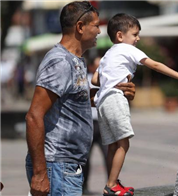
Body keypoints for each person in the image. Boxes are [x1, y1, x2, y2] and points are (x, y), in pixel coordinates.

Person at [25, 2, 136, 196]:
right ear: (80, 27)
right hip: (56, 165)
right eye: (95, 25)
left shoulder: (75, 60)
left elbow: (76, 101)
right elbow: (34, 116)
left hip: (66, 166)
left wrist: (116, 93)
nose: (99, 32)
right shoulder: (59, 61)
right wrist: (40, 173)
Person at [91, 13, 178, 196]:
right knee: (123, 144)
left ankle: (112, 183)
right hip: (115, 99)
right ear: (120, 36)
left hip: (102, 101)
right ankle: (111, 186)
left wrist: (112, 78)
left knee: (112, 145)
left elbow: (95, 80)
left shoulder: (108, 54)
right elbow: (155, 65)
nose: (138, 38)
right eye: (134, 34)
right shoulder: (128, 49)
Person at [83, 56, 108, 195]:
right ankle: (84, 186)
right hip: (89, 124)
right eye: (98, 66)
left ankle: (111, 186)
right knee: (86, 158)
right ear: (92, 67)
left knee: (109, 155)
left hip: (103, 123)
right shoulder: (85, 79)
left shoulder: (107, 80)